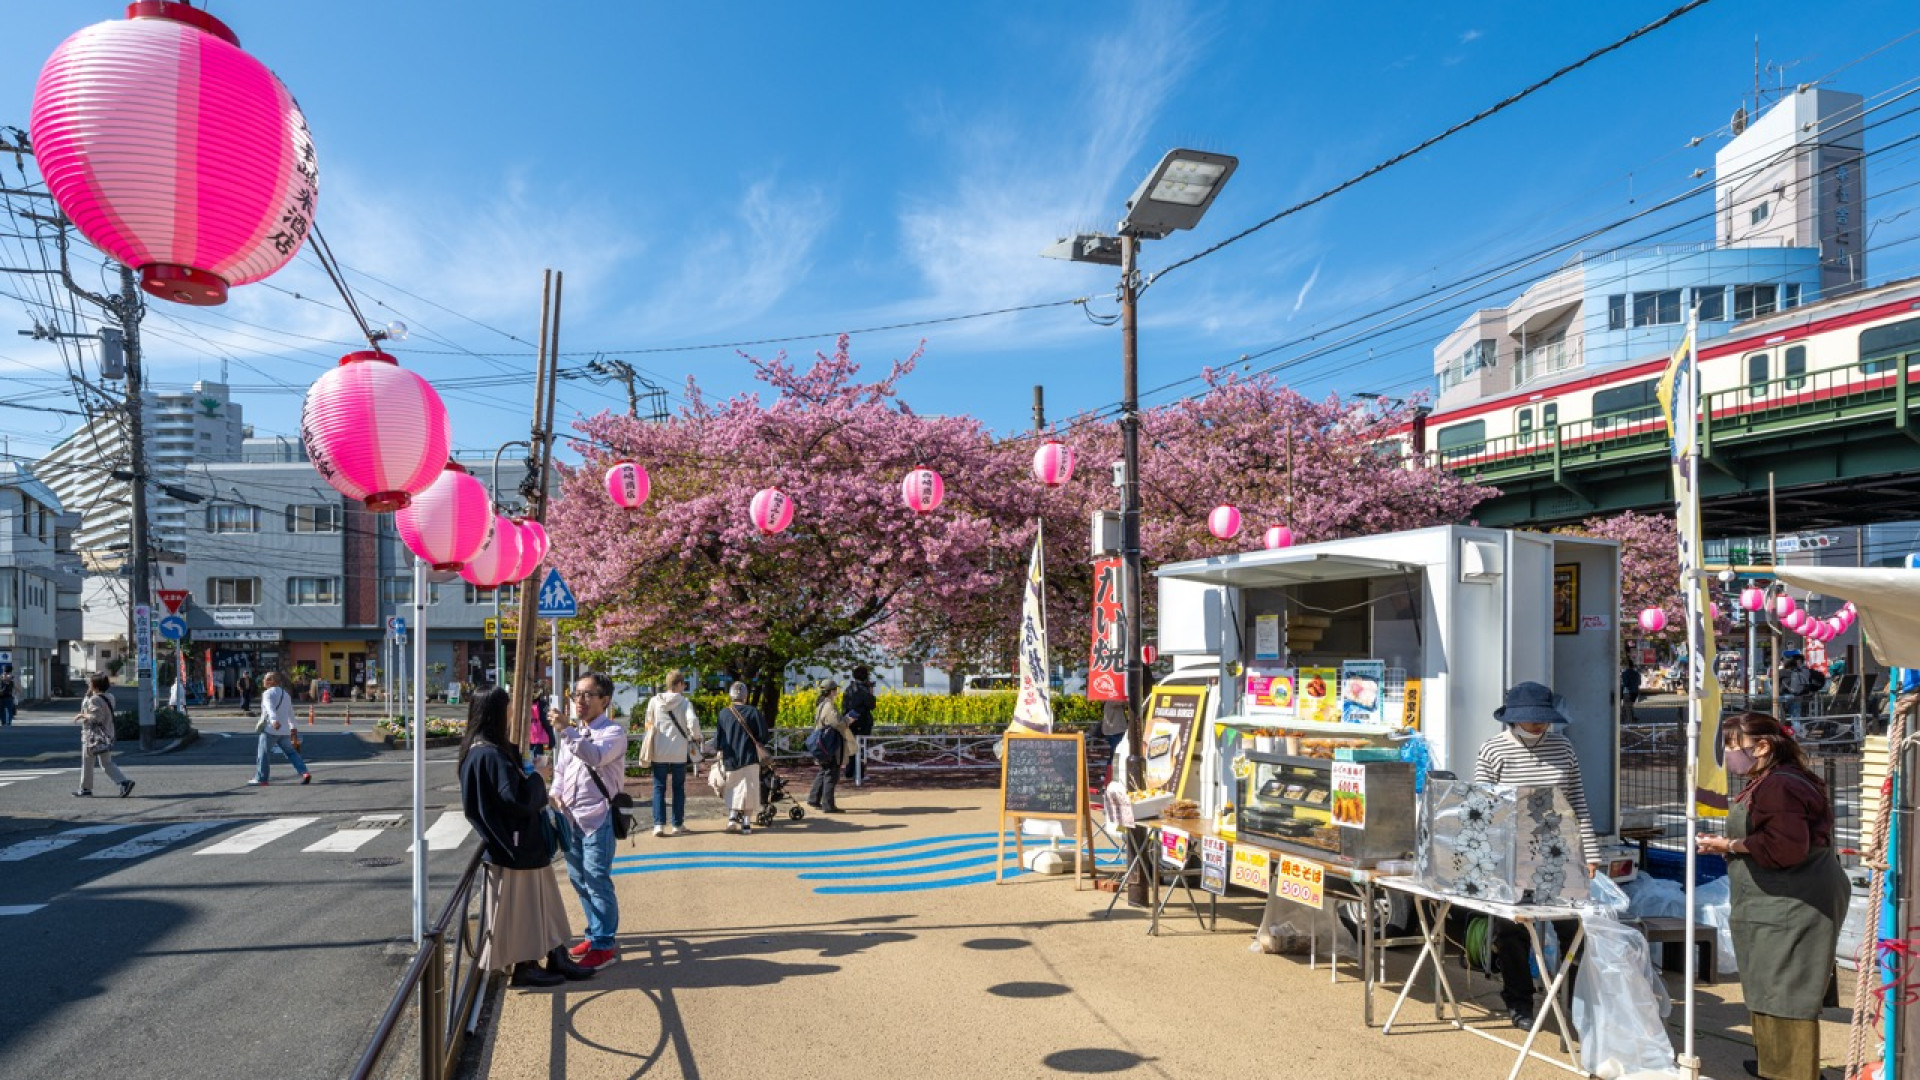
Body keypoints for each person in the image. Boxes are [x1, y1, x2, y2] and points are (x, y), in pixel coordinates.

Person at [1696, 713, 1849, 1080]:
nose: (1729, 754)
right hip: (1777, 897)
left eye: (1733, 746)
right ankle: (1773, 1062)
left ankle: (1790, 1072)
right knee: (1767, 984)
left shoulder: (1779, 785)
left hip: (1793, 900)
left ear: (1762, 746)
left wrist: (1730, 844)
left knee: (1785, 992)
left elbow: (1785, 848)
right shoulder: (1772, 779)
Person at [1473, 681, 1600, 1032]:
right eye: (1531, 720)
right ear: (1514, 718)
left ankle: (1578, 1000)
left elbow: (1577, 802)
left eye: (1542, 719)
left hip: (1558, 852)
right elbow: (1480, 806)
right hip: (1509, 855)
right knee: (1511, 930)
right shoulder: (1494, 750)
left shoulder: (1564, 747)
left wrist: (1590, 852)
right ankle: (1518, 1000)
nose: (1538, 725)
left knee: (1570, 927)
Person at [458, 687, 592, 989]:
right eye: (508, 708)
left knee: (542, 904)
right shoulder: (490, 753)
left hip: (513, 843)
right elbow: (516, 799)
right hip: (516, 844)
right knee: (528, 909)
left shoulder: (478, 750)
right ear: (496, 712)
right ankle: (528, 965)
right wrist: (536, 777)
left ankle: (553, 954)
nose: (512, 713)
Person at [552, 671, 627, 970]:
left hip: (598, 816)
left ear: (604, 701)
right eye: (576, 694)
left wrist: (566, 731)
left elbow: (595, 757)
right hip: (569, 817)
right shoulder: (574, 733)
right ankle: (594, 934)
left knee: (597, 880)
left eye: (587, 695)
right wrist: (555, 793)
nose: (579, 700)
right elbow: (561, 771)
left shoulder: (613, 733)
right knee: (579, 880)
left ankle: (605, 945)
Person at [641, 670, 701, 837]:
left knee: (659, 787)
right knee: (678, 788)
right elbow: (693, 721)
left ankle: (658, 825)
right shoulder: (684, 702)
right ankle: (677, 824)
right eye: (683, 684)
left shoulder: (654, 701)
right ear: (679, 684)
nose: (684, 687)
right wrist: (696, 736)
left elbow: (648, 723)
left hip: (659, 750)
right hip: (679, 752)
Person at [714, 681, 770, 833]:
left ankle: (732, 817)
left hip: (731, 758)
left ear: (731, 695)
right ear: (745, 696)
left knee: (732, 788)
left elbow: (718, 739)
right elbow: (764, 736)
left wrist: (720, 750)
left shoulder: (724, 713)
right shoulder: (753, 712)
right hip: (750, 756)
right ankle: (746, 822)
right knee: (750, 790)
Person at [74, 673, 134, 798]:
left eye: (91, 683)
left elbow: (96, 717)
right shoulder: (109, 697)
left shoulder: (95, 699)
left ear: (95, 685)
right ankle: (123, 782)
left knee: (88, 762)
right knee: (106, 762)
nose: (88, 684)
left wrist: (83, 715)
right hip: (106, 735)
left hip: (93, 736)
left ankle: (85, 789)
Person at [251, 671, 312, 786]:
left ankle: (261, 779)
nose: (263, 681)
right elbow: (290, 712)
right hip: (284, 730)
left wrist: (274, 720)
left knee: (263, 754)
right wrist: (293, 727)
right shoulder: (286, 694)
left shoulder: (267, 693)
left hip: (271, 729)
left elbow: (270, 708)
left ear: (272, 681)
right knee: (292, 753)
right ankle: (304, 773)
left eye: (265, 679)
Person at [807, 677, 854, 813]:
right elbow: (836, 722)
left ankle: (814, 798)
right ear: (832, 691)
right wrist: (848, 720)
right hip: (829, 744)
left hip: (821, 743)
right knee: (831, 773)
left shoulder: (821, 704)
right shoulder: (828, 705)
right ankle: (828, 805)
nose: (837, 692)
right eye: (835, 689)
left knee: (824, 770)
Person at [842, 665, 878, 783]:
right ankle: (859, 774)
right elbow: (871, 705)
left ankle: (849, 772)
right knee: (861, 748)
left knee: (851, 747)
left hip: (849, 721)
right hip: (862, 722)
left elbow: (845, 706)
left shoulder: (849, 688)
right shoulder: (863, 690)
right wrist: (871, 691)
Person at [527, 686, 554, 768]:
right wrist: (551, 736)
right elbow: (546, 721)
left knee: (528, 766)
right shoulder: (543, 704)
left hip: (527, 739)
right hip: (540, 740)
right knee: (541, 767)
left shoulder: (523, 703)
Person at [1778, 655, 1811, 720]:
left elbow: (1775, 683)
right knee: (1795, 717)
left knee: (1780, 716)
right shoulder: (1800, 671)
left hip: (1784, 696)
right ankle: (1796, 729)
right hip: (1797, 696)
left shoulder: (1781, 672)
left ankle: (1782, 728)